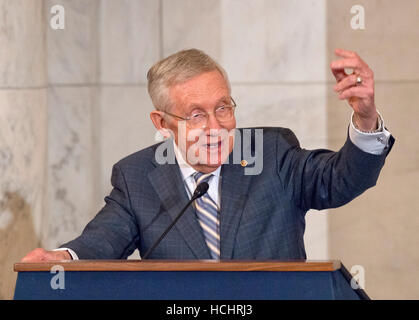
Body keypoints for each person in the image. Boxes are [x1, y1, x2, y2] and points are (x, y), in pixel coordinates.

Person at [22, 48, 394, 262]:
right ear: (162, 121)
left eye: (223, 108)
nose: (216, 127)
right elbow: (103, 241)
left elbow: (342, 179)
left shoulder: (271, 152)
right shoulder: (137, 177)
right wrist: (65, 258)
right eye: (196, 115)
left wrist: (365, 117)